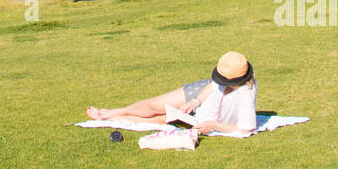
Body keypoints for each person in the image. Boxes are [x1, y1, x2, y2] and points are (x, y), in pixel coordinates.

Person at [85, 51, 259, 135]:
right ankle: (118, 110)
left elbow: (246, 128)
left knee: (161, 119)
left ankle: (110, 118)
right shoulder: (224, 75)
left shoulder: (245, 95)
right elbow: (212, 86)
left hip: (205, 116)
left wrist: (214, 125)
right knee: (154, 105)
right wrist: (194, 102)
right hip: (200, 95)